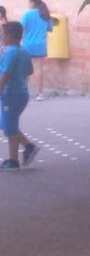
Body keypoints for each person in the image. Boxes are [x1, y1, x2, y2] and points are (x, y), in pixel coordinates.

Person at [0, 22, 38, 170]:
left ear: (9, 36)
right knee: (6, 124)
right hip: (20, 93)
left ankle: (13, 161)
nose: (1, 37)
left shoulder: (11, 53)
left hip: (11, 94)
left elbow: (6, 74)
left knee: (10, 128)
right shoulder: (24, 51)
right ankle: (29, 147)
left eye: (2, 34)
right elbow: (30, 71)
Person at [21, 0, 53, 101]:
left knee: (25, 68)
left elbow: (20, 27)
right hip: (40, 45)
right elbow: (50, 28)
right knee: (39, 69)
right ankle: (40, 94)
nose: (28, 4)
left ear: (32, 3)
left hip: (27, 45)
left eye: (28, 2)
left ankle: (24, 92)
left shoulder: (27, 14)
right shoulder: (44, 14)